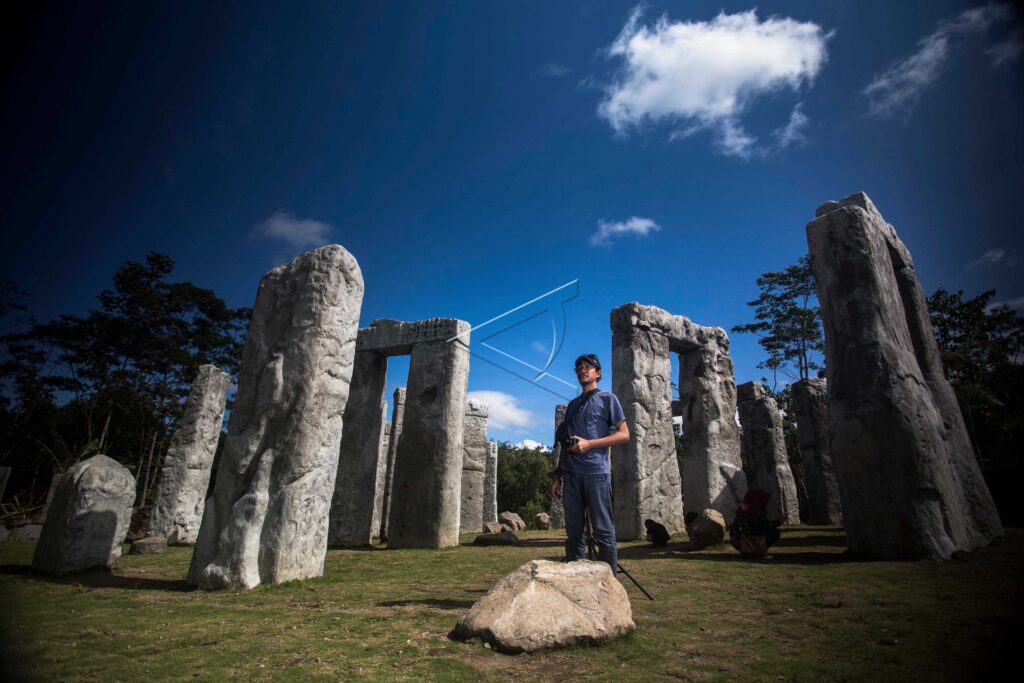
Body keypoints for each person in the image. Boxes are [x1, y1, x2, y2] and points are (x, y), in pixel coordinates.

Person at [550, 353, 630, 571]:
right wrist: (557, 474)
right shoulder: (573, 405)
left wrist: (590, 444)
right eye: (579, 368)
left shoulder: (608, 399)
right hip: (571, 475)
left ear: (598, 373)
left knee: (603, 530)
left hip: (596, 473)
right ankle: (577, 582)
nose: (583, 370)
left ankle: (609, 585)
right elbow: (565, 444)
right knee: (574, 532)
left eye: (588, 367)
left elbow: (624, 435)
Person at [729, 488, 782, 558]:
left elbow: (735, 527)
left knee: (736, 533)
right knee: (774, 532)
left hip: (744, 543)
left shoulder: (742, 510)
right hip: (755, 540)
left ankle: (746, 552)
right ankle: (758, 552)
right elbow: (763, 527)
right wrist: (778, 522)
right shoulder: (758, 510)